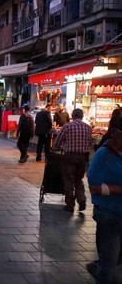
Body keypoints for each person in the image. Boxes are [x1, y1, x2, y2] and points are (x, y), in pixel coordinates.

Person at [86, 116, 122, 283]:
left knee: (115, 259)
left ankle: (98, 267)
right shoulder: (103, 154)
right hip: (109, 215)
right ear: (114, 133)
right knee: (109, 262)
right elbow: (94, 187)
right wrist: (117, 190)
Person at [53, 108, 92, 212]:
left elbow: (57, 142)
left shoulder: (67, 126)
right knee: (78, 179)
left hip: (69, 156)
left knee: (68, 180)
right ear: (82, 116)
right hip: (82, 157)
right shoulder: (88, 128)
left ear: (72, 116)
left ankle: (70, 205)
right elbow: (89, 143)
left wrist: (57, 147)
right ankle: (82, 199)